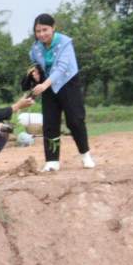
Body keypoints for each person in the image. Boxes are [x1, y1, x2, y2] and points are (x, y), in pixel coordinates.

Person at [28, 13, 95, 173]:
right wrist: (35, 73)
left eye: (45, 30)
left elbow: (62, 67)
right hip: (47, 85)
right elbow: (35, 63)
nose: (41, 34)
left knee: (75, 120)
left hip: (67, 82)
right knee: (50, 123)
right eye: (38, 31)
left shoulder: (65, 43)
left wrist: (44, 85)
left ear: (53, 27)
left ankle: (85, 155)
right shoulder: (36, 47)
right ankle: (52, 161)